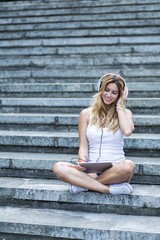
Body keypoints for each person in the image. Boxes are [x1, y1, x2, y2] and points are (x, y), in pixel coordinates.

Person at [53, 73, 135, 195]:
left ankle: (84, 184)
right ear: (101, 89)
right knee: (58, 167)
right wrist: (82, 161)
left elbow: (128, 131)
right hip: (90, 170)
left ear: (120, 95)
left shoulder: (125, 113)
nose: (108, 95)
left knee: (129, 165)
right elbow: (83, 145)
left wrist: (120, 106)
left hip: (116, 169)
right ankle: (107, 189)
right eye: (106, 90)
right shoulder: (86, 113)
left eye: (114, 92)